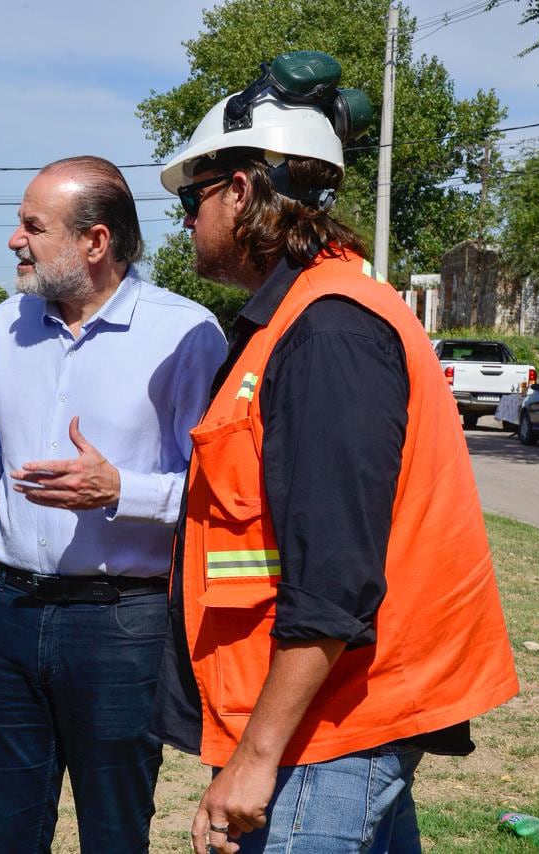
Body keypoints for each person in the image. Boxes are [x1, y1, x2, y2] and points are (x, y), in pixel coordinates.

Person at [153, 52, 519, 854]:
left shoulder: (329, 330)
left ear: (241, 190)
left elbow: (335, 578)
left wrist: (255, 758)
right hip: (328, 717)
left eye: (191, 198)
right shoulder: (300, 317)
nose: (185, 220)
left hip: (330, 730)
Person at [0, 156, 227, 852]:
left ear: (95, 241)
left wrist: (123, 492)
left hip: (121, 625)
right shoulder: (6, 325)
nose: (13, 241)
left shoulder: (186, 334)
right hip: (9, 614)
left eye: (32, 226)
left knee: (114, 834)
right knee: (5, 832)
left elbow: (219, 496)